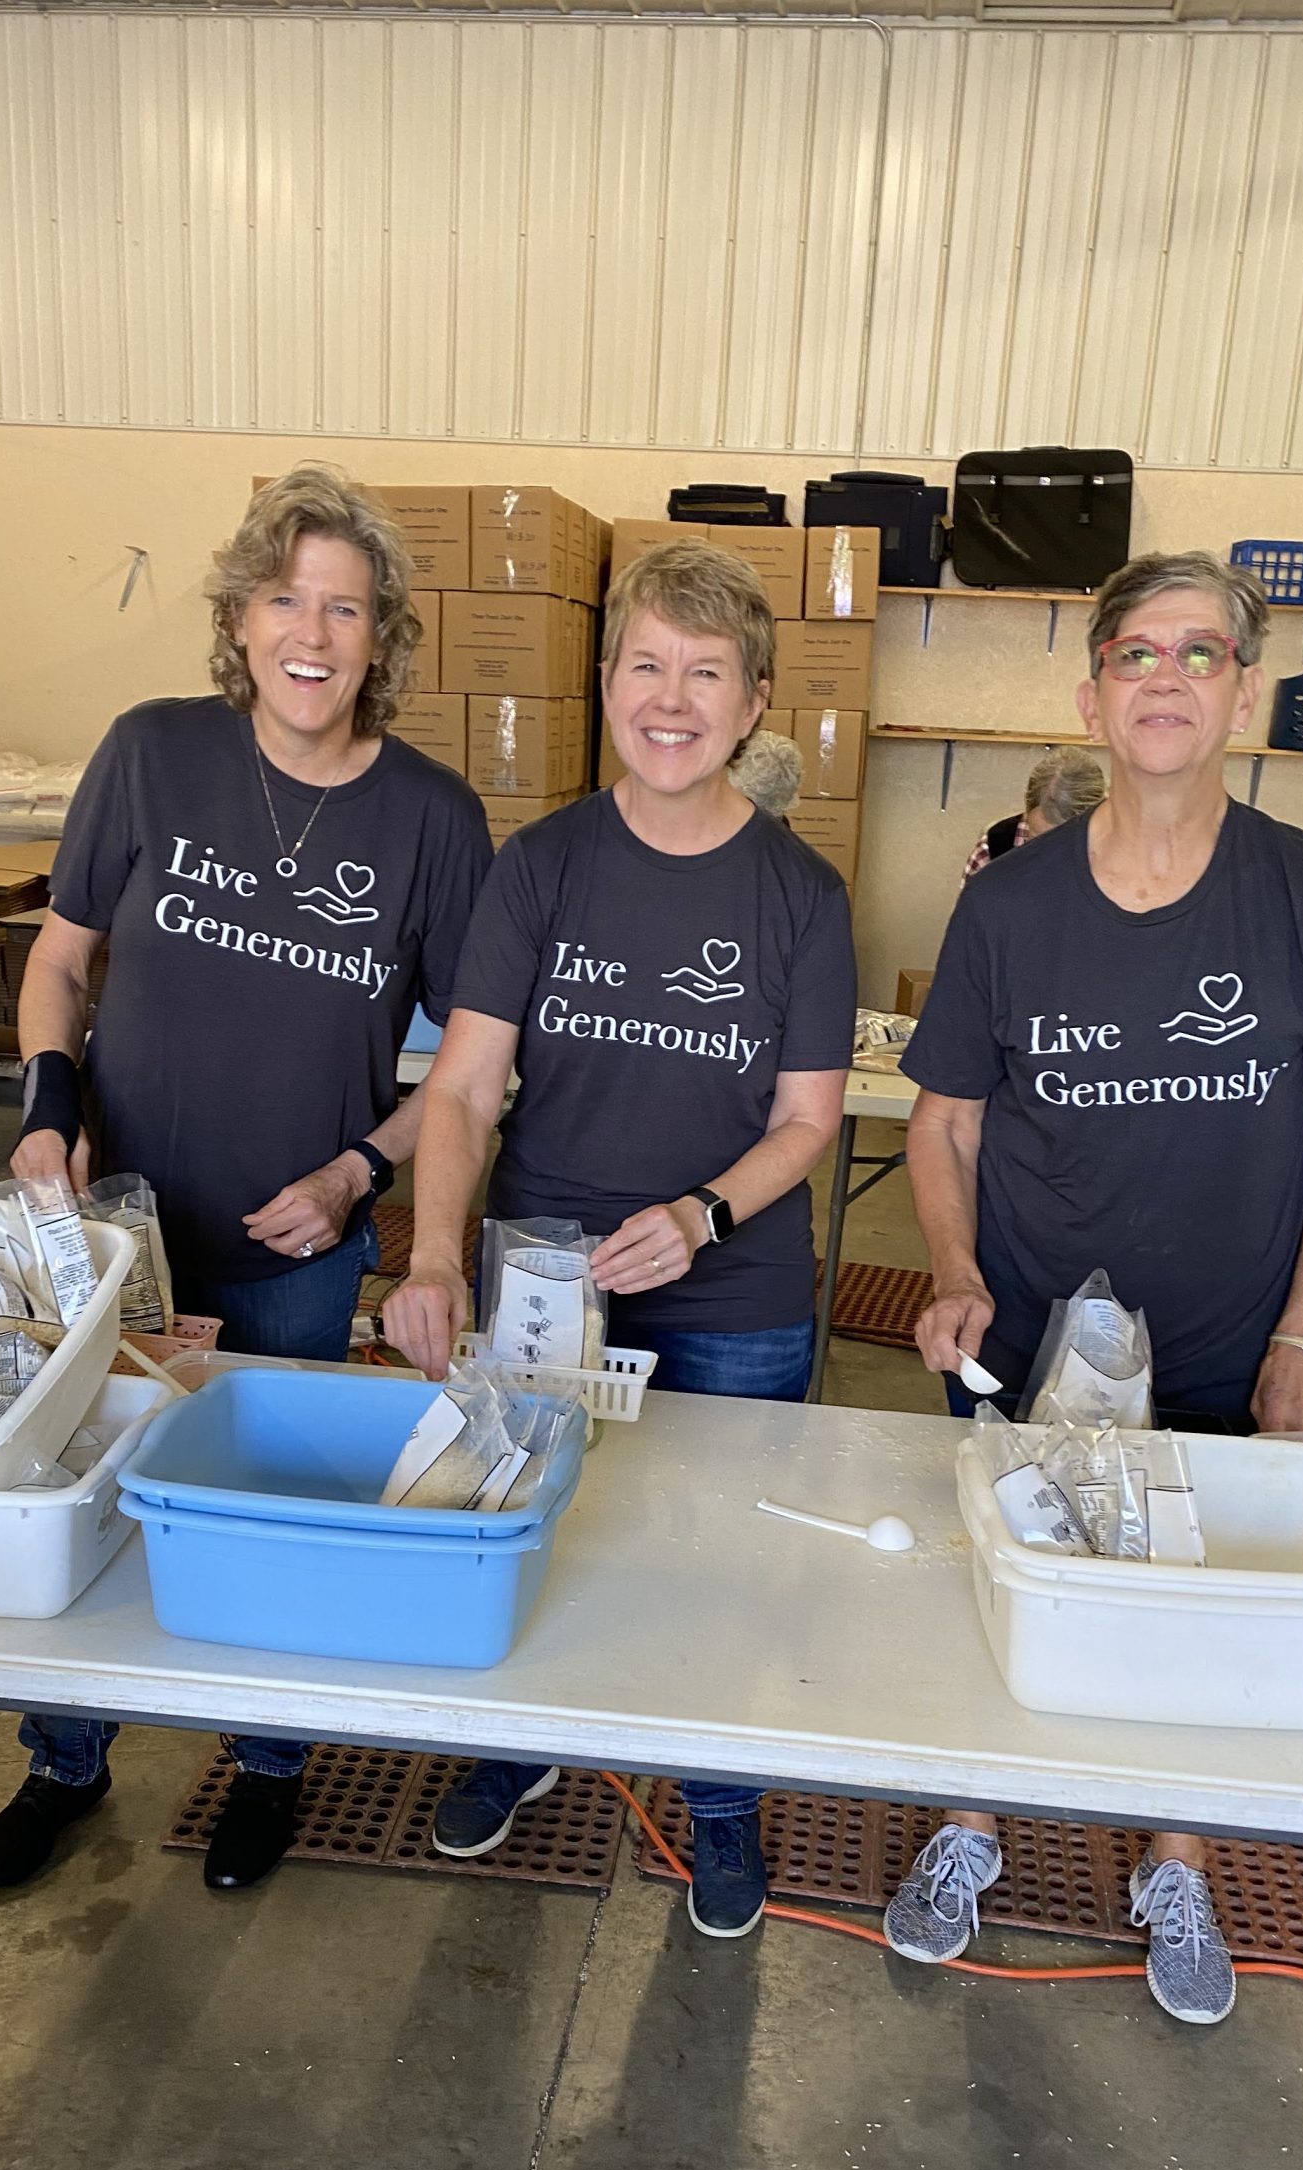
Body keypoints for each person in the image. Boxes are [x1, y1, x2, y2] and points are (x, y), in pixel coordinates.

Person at [884, 551, 1303, 2025]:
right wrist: (957, 1273)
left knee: (1199, 1611)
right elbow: (948, 1122)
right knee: (1009, 1585)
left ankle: (1174, 1857)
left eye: (1198, 654)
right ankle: (975, 1817)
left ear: (1242, 690)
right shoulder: (1013, 905)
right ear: (1091, 690)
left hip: (1236, 1344)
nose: (1164, 680)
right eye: (1136, 655)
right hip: (1029, 1339)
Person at [0, 466, 491, 1897]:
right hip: (113, 1239)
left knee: (270, 1509)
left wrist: (353, 1175)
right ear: (241, 620)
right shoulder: (151, 753)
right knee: (78, 1482)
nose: (313, 632)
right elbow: (62, 960)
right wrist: (47, 1111)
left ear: (382, 639)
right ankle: (64, 1759)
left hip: (294, 1252)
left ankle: (265, 1761)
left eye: (347, 607)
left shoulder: (433, 823)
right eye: (285, 598)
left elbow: (465, 1067)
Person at [382, 542, 857, 1939]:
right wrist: (428, 1255)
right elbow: (463, 1086)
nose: (671, 699)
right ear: (605, 687)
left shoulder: (799, 897)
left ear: (755, 703)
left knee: (716, 1559)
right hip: (540, 1280)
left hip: (738, 1292)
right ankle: (519, 1744)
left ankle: (718, 1804)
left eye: (705, 674)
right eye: (647, 665)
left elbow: (810, 1119)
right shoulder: (541, 869)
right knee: (531, 1526)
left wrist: (703, 1212)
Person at [963, 746, 1106, 877]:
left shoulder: (1122, 856)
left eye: (1063, 842)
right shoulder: (994, 849)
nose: (1049, 853)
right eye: (1036, 839)